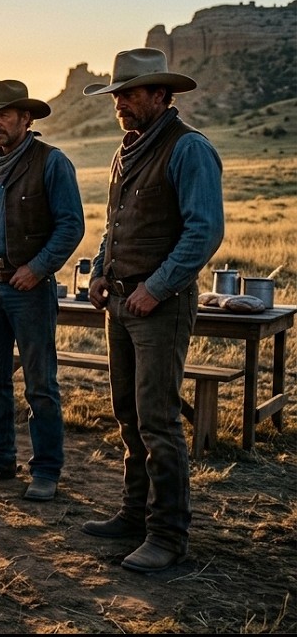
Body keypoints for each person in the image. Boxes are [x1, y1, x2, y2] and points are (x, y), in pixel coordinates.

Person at [82, 48, 224, 572]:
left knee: (158, 419)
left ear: (162, 95)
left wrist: (158, 288)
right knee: (127, 413)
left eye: (130, 93)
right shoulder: (128, 149)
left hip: (157, 305)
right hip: (120, 301)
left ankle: (167, 534)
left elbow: (203, 230)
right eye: (117, 94)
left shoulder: (189, 150)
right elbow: (114, 224)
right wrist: (100, 271)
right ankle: (133, 515)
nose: (120, 101)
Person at [0, 80, 85, 502]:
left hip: (28, 288)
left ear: (26, 119)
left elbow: (70, 226)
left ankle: (46, 470)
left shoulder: (51, 162)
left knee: (39, 383)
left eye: (5, 115)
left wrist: (37, 268)